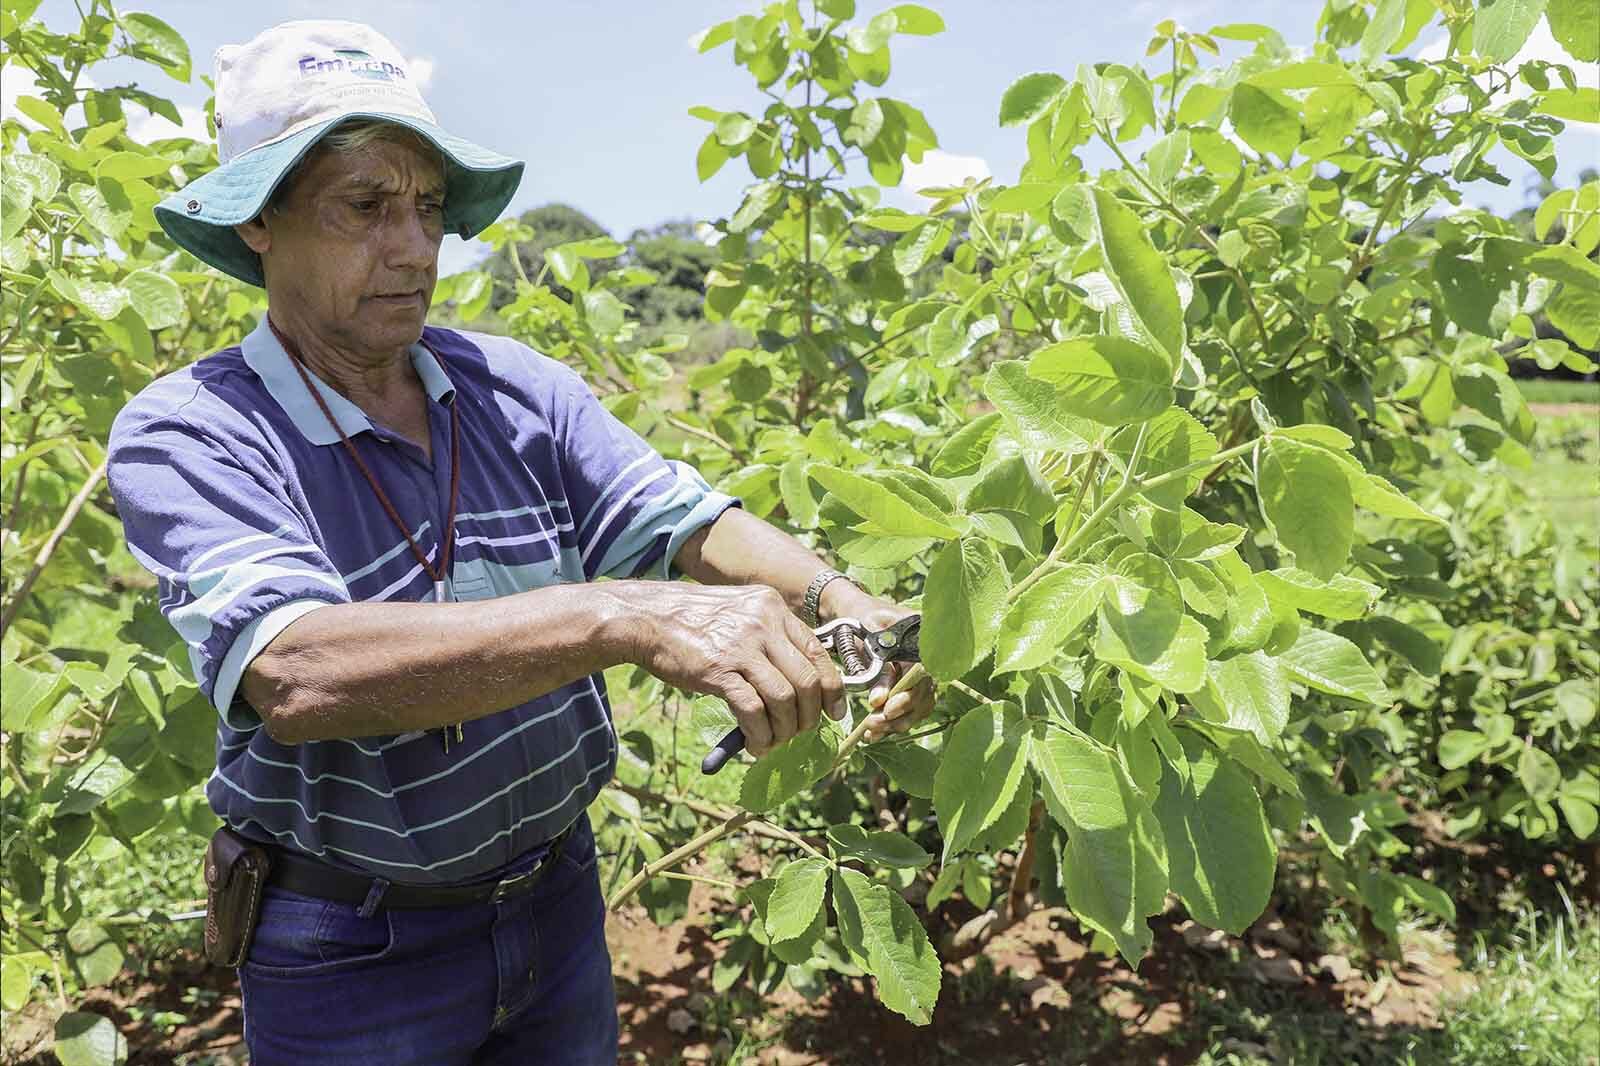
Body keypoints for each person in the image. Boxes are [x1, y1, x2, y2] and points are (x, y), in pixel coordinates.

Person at [106, 19, 934, 1066]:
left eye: (428, 207)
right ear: (260, 223)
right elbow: (297, 670)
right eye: (364, 206)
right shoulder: (195, 429)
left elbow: (687, 521)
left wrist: (847, 607)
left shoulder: (511, 386)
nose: (414, 247)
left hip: (553, 896)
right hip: (356, 942)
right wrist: (620, 614)